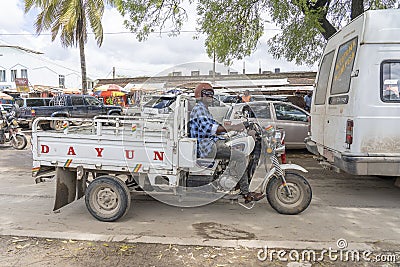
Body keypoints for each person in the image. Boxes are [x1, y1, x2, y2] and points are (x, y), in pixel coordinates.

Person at [189, 82, 264, 203]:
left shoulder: (204, 109)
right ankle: (246, 193)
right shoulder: (199, 110)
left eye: (211, 94)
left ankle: (236, 181)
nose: (210, 96)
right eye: (207, 93)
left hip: (211, 142)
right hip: (206, 147)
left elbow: (215, 126)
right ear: (200, 95)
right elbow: (212, 129)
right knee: (239, 157)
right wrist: (235, 127)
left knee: (235, 148)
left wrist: (232, 130)